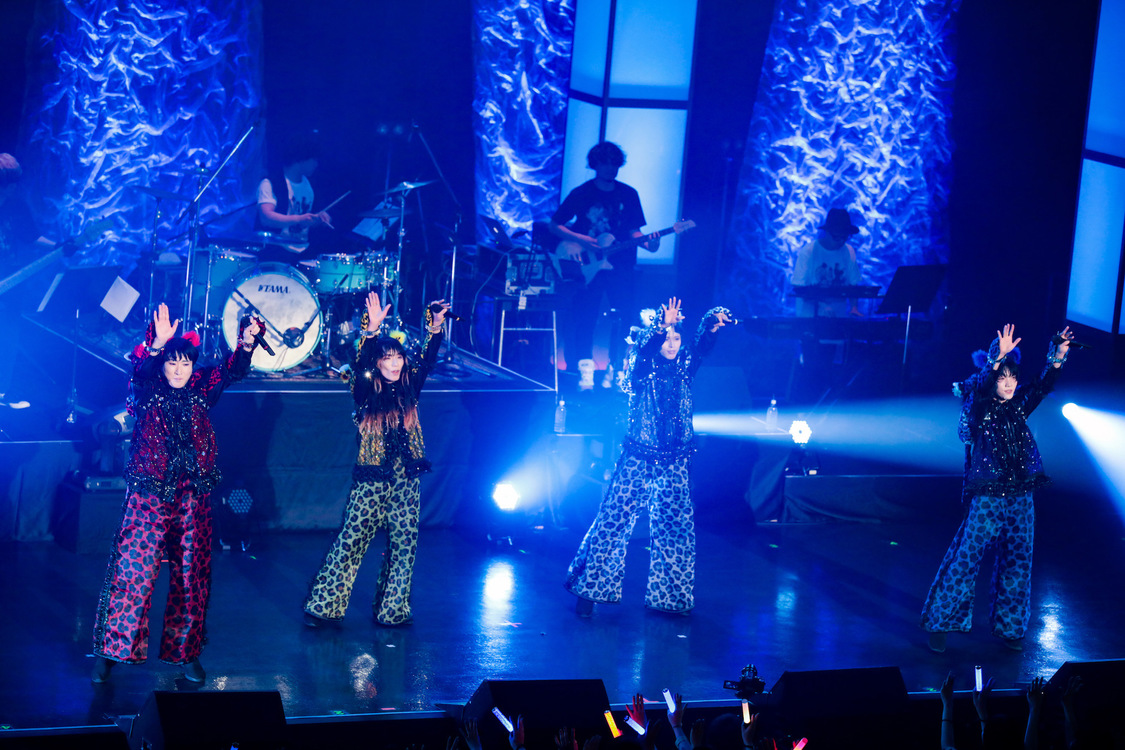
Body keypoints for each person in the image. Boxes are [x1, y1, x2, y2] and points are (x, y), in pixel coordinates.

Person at [91, 303, 262, 684]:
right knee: (133, 574)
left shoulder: (201, 387)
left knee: (191, 575)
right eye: (172, 362)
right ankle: (110, 652)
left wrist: (247, 342)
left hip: (191, 495)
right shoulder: (147, 386)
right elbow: (140, 371)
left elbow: (231, 369)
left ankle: (186, 653)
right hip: (149, 495)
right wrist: (157, 346)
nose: (179, 370)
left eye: (185, 363)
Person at [565, 297, 731, 616]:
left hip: (675, 459)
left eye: (676, 338)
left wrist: (711, 323)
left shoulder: (685, 364)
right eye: (667, 338)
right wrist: (660, 328)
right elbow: (643, 352)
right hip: (638, 457)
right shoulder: (642, 366)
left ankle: (671, 599)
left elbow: (701, 346)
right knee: (614, 520)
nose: (672, 343)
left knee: (676, 527)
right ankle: (589, 590)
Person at [922, 323, 1074, 653]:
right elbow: (980, 388)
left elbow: (1042, 385)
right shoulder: (979, 407)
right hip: (988, 496)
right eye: (1002, 378)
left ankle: (1011, 628)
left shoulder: (1018, 406)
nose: (1008, 383)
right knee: (966, 559)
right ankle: (941, 623)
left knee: (1019, 560)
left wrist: (1058, 355)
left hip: (1021, 494)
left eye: (1012, 378)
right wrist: (997, 359)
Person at [303, 291, 448, 627]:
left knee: (405, 543)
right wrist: (371, 332)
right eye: (387, 359)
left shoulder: (410, 385)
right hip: (373, 477)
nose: (394, 364)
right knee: (352, 539)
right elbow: (363, 364)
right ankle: (324, 606)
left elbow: (427, 359)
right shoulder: (365, 388)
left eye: (398, 358)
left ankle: (392, 610)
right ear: (378, 363)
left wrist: (436, 327)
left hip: (406, 477)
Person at [550, 141, 659, 388]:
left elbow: (634, 232)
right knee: (584, 317)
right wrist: (581, 239)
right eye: (605, 163)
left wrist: (650, 244)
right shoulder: (582, 193)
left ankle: (617, 368)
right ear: (595, 164)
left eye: (614, 163)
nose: (611, 168)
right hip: (588, 266)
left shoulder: (629, 194)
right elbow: (554, 225)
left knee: (624, 318)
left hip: (621, 266)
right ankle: (583, 370)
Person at [256, 133, 332, 262]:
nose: (316, 164)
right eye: (314, 159)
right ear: (301, 159)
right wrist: (299, 219)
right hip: (276, 252)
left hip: (304, 251)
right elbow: (266, 218)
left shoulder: (311, 185)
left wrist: (321, 218)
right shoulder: (271, 183)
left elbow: (312, 216)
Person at [791, 207, 862, 318]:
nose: (841, 241)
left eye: (845, 237)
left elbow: (853, 285)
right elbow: (799, 288)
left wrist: (854, 308)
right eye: (836, 237)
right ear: (827, 232)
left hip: (838, 318)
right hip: (810, 319)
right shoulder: (808, 251)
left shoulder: (849, 251)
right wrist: (822, 306)